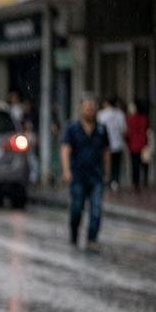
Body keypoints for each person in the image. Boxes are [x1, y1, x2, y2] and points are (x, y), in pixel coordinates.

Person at [61, 96, 111, 252]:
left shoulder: (101, 129)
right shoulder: (72, 128)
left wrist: (107, 172)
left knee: (96, 209)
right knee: (77, 208)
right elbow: (65, 150)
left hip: (96, 175)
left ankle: (92, 238)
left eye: (92, 107)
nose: (90, 110)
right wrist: (66, 171)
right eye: (87, 107)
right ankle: (74, 234)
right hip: (78, 175)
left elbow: (106, 152)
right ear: (81, 109)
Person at [98, 97, 127, 191]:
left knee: (105, 163)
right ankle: (115, 181)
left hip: (104, 145)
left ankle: (106, 180)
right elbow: (124, 130)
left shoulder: (102, 114)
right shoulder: (120, 114)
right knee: (116, 164)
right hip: (117, 143)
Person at [126, 100, 150, 190]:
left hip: (134, 145)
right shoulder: (145, 119)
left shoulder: (131, 119)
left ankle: (136, 182)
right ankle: (145, 181)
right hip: (143, 144)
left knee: (135, 165)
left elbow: (129, 133)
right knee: (144, 164)